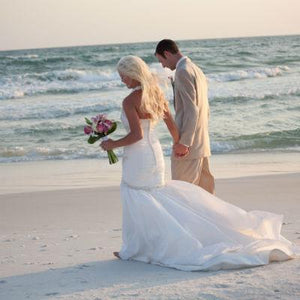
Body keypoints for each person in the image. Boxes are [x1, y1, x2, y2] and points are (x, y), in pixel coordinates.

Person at [100, 55, 297, 271]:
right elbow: (172, 125)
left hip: (138, 155)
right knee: (151, 196)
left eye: (123, 76)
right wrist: (179, 145)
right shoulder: (155, 93)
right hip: (154, 153)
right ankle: (138, 247)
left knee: (136, 195)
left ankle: (135, 248)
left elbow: (136, 135)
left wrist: (112, 144)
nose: (122, 81)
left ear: (133, 73)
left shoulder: (129, 101)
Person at [155, 39, 215, 194]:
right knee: (205, 197)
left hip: (189, 147)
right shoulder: (196, 69)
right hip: (202, 143)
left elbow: (191, 110)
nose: (163, 66)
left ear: (167, 53)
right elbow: (204, 108)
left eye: (161, 60)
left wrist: (185, 142)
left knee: (182, 195)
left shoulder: (182, 71)